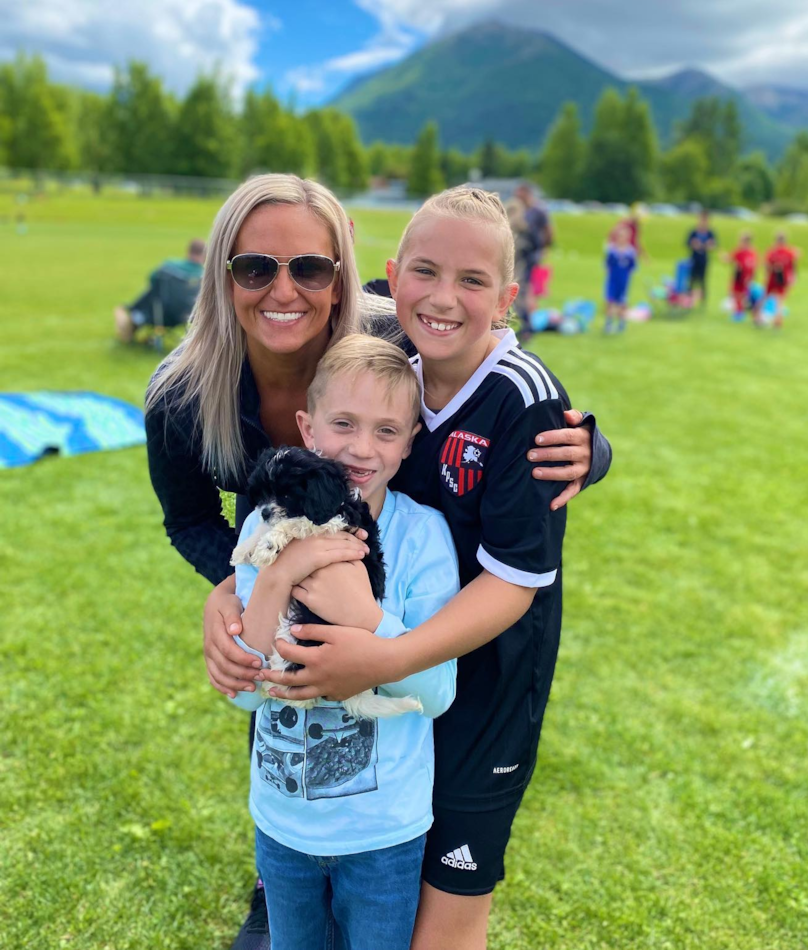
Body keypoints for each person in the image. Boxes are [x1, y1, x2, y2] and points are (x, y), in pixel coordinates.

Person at [145, 174, 608, 950]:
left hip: (437, 636)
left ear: (345, 279)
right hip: (309, 630)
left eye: (311, 268)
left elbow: (503, 393)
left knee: (422, 885)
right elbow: (192, 520)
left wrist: (586, 450)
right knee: (304, 745)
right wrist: (239, 585)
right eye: (255, 267)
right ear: (221, 275)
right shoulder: (183, 396)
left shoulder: (396, 339)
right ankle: (281, 887)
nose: (283, 289)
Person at [230, 334, 459, 950]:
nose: (362, 447)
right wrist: (278, 576)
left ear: (411, 441)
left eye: (387, 431)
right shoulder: (264, 527)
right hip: (283, 824)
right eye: (343, 424)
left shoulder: (424, 538)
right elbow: (244, 697)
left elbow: (436, 693)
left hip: (384, 833)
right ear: (307, 428)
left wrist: (365, 616)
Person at [115, 239, 206, 342]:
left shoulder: (169, 267)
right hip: (185, 316)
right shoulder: (204, 274)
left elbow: (152, 280)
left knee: (132, 306)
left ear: (188, 250)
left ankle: (129, 328)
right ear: (204, 255)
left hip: (158, 314)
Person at [511, 183, 553, 342]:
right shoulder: (520, 211)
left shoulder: (538, 211)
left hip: (530, 256)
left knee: (524, 291)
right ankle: (523, 326)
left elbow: (548, 231)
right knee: (520, 291)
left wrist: (544, 249)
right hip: (518, 256)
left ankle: (526, 328)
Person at [603, 223, 637, 334]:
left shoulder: (630, 252)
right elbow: (607, 264)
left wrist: (627, 274)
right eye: (619, 236)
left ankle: (621, 323)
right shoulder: (612, 250)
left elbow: (632, 266)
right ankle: (608, 323)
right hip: (613, 279)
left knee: (622, 301)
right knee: (610, 300)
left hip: (624, 279)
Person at [763, 232, 798, 327]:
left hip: (773, 278)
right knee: (780, 301)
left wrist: (766, 275)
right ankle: (777, 321)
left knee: (765, 298)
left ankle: (759, 318)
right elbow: (793, 267)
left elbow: (767, 265)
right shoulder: (789, 252)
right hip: (782, 279)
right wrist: (793, 278)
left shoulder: (772, 251)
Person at [686, 211, 717, 308]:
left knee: (703, 280)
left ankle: (702, 301)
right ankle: (689, 300)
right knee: (691, 280)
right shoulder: (694, 232)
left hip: (704, 260)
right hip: (694, 259)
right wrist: (694, 244)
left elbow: (714, 245)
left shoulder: (710, 233)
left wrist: (709, 245)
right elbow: (688, 243)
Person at [724, 232, 758, 316]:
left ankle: (740, 311)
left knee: (740, 294)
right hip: (739, 275)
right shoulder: (741, 251)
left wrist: (750, 276)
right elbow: (731, 259)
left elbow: (752, 266)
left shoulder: (749, 252)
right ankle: (739, 310)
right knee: (734, 293)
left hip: (744, 276)